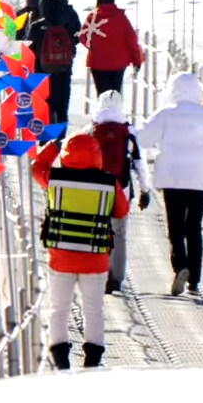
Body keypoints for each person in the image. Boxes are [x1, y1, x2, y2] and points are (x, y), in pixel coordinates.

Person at [136, 72, 203, 296]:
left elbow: (143, 139)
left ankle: (181, 267)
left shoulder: (166, 114)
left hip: (172, 178)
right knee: (194, 226)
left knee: (175, 228)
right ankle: (195, 280)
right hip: (201, 179)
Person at [33, 134, 129, 370]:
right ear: (97, 155)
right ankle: (93, 358)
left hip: (61, 257)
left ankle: (60, 355)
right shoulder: (109, 183)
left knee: (59, 308)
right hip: (95, 260)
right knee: (93, 307)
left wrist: (52, 147)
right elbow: (121, 211)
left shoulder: (54, 178)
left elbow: (36, 167)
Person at [83, 90, 152, 294]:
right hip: (121, 188)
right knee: (119, 234)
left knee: (98, 230)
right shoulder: (128, 132)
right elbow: (139, 163)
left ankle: (99, 273)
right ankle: (116, 278)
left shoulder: (91, 129)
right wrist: (145, 190)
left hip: (96, 189)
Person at [26, 0, 80, 123]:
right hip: (64, 70)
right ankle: (61, 139)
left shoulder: (36, 26)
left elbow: (29, 49)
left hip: (41, 72)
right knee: (62, 108)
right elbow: (77, 38)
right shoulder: (67, 24)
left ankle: (46, 139)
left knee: (45, 106)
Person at [81, 0, 143, 96]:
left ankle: (103, 111)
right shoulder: (121, 18)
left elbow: (83, 36)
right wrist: (136, 61)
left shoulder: (92, 17)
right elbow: (132, 41)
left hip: (97, 62)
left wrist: (93, 47)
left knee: (102, 95)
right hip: (118, 63)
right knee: (115, 94)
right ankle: (114, 111)